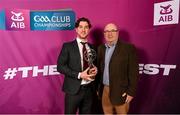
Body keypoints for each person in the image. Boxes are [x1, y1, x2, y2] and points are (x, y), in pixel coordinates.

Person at [57, 17, 98, 114]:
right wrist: (79, 74)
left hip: (89, 90)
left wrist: (95, 69)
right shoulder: (67, 46)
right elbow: (60, 66)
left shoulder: (92, 47)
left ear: (89, 29)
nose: (83, 30)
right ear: (76, 29)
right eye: (81, 27)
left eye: (86, 27)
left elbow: (92, 65)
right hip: (73, 90)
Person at [97, 23, 139, 114]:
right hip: (105, 90)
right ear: (104, 34)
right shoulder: (101, 49)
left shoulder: (128, 48)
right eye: (107, 31)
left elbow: (133, 72)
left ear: (117, 33)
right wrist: (98, 88)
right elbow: (99, 70)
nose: (110, 33)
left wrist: (131, 92)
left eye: (113, 31)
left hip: (121, 91)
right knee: (107, 113)